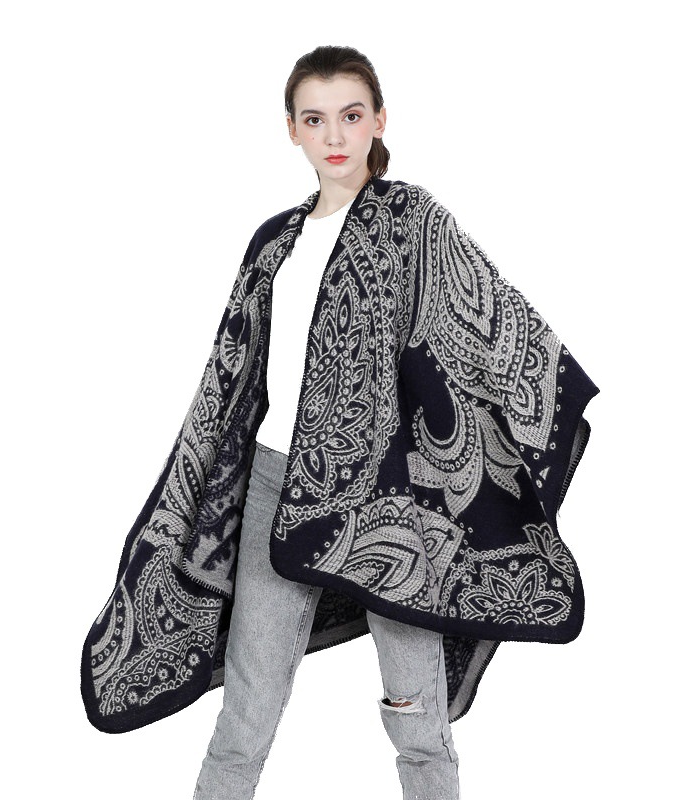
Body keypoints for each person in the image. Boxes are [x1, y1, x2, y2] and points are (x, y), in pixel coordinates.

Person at [192, 45, 460, 800]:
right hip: (278, 482)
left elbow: (475, 333)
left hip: (390, 495)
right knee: (247, 705)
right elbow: (236, 371)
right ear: (292, 130)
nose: (334, 135)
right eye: (315, 119)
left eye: (350, 115)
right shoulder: (275, 241)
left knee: (415, 706)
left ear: (379, 120)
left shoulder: (413, 222)